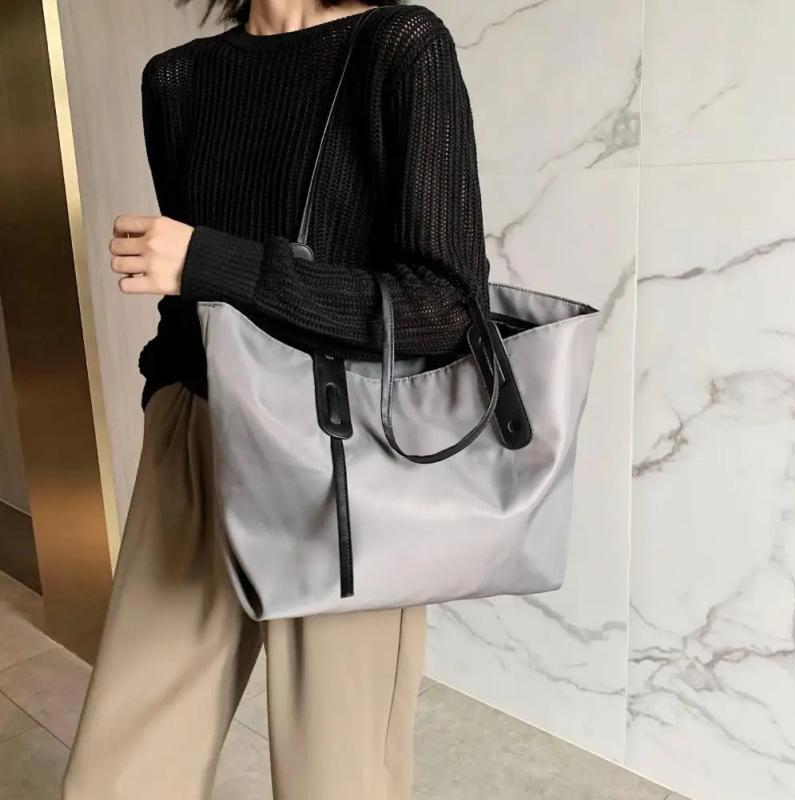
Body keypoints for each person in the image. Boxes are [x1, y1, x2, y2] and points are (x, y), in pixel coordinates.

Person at [61, 1, 490, 798]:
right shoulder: (178, 80)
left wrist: (221, 262)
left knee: (338, 775)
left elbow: (443, 306)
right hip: (197, 433)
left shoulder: (399, 47)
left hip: (345, 462)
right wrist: (166, 406)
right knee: (120, 773)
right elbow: (186, 299)